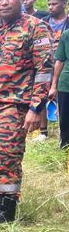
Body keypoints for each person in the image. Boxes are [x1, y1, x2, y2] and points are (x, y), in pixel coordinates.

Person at [0, 0, 53, 226]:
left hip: (13, 107)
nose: (4, 1)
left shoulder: (35, 28)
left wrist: (35, 108)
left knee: (7, 159)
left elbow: (44, 70)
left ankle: (6, 212)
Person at [33, 0, 69, 142]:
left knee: (62, 97)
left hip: (63, 64)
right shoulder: (44, 22)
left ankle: (62, 130)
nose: (50, 7)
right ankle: (43, 131)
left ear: (64, 4)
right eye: (49, 4)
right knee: (42, 93)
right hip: (45, 62)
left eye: (54, 4)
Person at [50, 16, 69, 149]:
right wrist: (54, 85)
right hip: (66, 84)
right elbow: (59, 60)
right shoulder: (66, 35)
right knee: (65, 120)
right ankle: (65, 147)